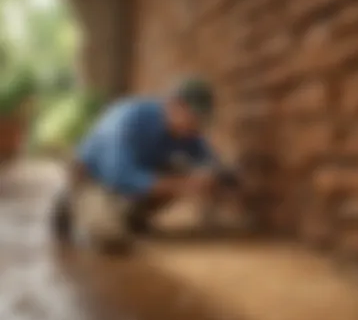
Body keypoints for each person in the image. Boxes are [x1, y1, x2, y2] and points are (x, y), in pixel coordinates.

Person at [50, 77, 240, 253]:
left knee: (184, 171)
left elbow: (209, 161)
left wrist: (221, 178)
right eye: (195, 119)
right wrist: (185, 184)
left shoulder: (186, 131)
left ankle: (130, 216)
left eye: (201, 121)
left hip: (131, 178)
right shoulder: (128, 120)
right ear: (174, 106)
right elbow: (120, 176)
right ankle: (71, 202)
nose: (197, 127)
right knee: (110, 236)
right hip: (94, 178)